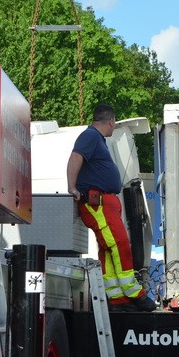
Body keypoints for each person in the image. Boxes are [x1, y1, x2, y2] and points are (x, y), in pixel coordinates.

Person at [67, 104, 156, 313]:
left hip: (103, 202)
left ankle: (116, 297)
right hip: (97, 203)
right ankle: (134, 292)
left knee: (108, 249)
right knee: (120, 244)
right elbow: (75, 158)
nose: (113, 128)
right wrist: (71, 187)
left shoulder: (96, 139)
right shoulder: (90, 136)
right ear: (110, 121)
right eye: (113, 124)